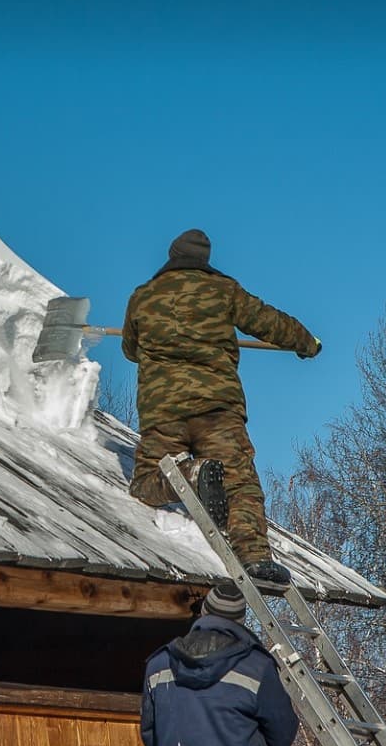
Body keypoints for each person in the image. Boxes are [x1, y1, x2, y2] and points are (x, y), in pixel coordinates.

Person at [122, 228, 320, 584]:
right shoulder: (224, 290)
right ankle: (256, 557)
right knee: (239, 481)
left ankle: (187, 476)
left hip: (162, 411)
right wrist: (306, 342)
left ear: (171, 256)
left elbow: (130, 349)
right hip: (218, 409)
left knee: (145, 482)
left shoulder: (143, 297)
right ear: (204, 260)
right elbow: (269, 322)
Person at [141, 582, 300, 746]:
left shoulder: (159, 664)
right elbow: (282, 730)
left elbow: (150, 732)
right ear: (240, 621)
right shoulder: (257, 667)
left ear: (203, 612)